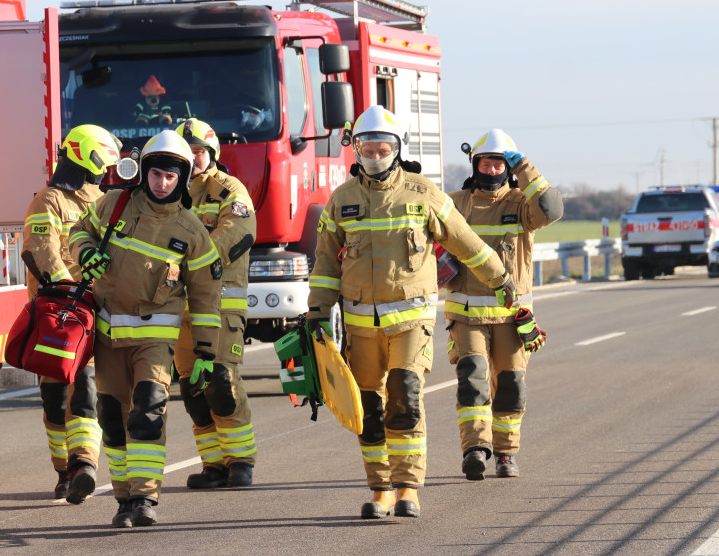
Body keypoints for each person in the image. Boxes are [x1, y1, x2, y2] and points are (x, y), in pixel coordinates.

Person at [307, 107, 517, 520]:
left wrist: (501, 280)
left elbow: (467, 244)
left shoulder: (425, 195)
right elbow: (326, 263)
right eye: (367, 148)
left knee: (404, 394)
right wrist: (317, 313)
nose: (374, 155)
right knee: (368, 408)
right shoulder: (341, 200)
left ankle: (408, 487)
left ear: (398, 149)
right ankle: (380, 488)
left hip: (411, 322)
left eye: (382, 148)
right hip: (359, 324)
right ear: (357, 150)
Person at [69, 129, 222, 528]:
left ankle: (145, 498)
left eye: (171, 176)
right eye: (156, 174)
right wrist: (86, 253)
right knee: (112, 418)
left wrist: (205, 352)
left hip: (154, 339)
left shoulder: (192, 232)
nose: (162, 182)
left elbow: (206, 298)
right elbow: (78, 231)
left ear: (182, 178)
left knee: (148, 413)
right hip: (107, 334)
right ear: (144, 173)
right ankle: (122, 500)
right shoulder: (114, 204)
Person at [445, 129, 562, 480]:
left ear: (508, 168)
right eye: (485, 161)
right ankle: (476, 449)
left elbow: (551, 207)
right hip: (467, 317)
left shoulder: (522, 206)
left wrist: (525, 167)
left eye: (499, 163)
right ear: (474, 164)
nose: (492, 169)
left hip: (512, 318)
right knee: (474, 380)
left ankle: (506, 453)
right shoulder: (456, 203)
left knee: (511, 384)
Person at [22, 124, 120, 504]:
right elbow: (40, 250)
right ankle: (64, 471)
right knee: (53, 397)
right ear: (84, 156)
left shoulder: (106, 201)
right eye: (101, 162)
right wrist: (67, 292)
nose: (103, 171)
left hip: (90, 315)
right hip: (56, 316)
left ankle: (84, 465)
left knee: (85, 390)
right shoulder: (49, 201)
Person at [174, 119, 258, 489]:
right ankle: (213, 466)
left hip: (220, 307)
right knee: (192, 388)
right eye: (185, 153)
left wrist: (187, 261)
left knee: (221, 381)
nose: (192, 160)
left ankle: (240, 461)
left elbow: (237, 233)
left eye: (198, 153)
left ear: (211, 155)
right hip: (178, 310)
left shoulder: (229, 191)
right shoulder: (164, 192)